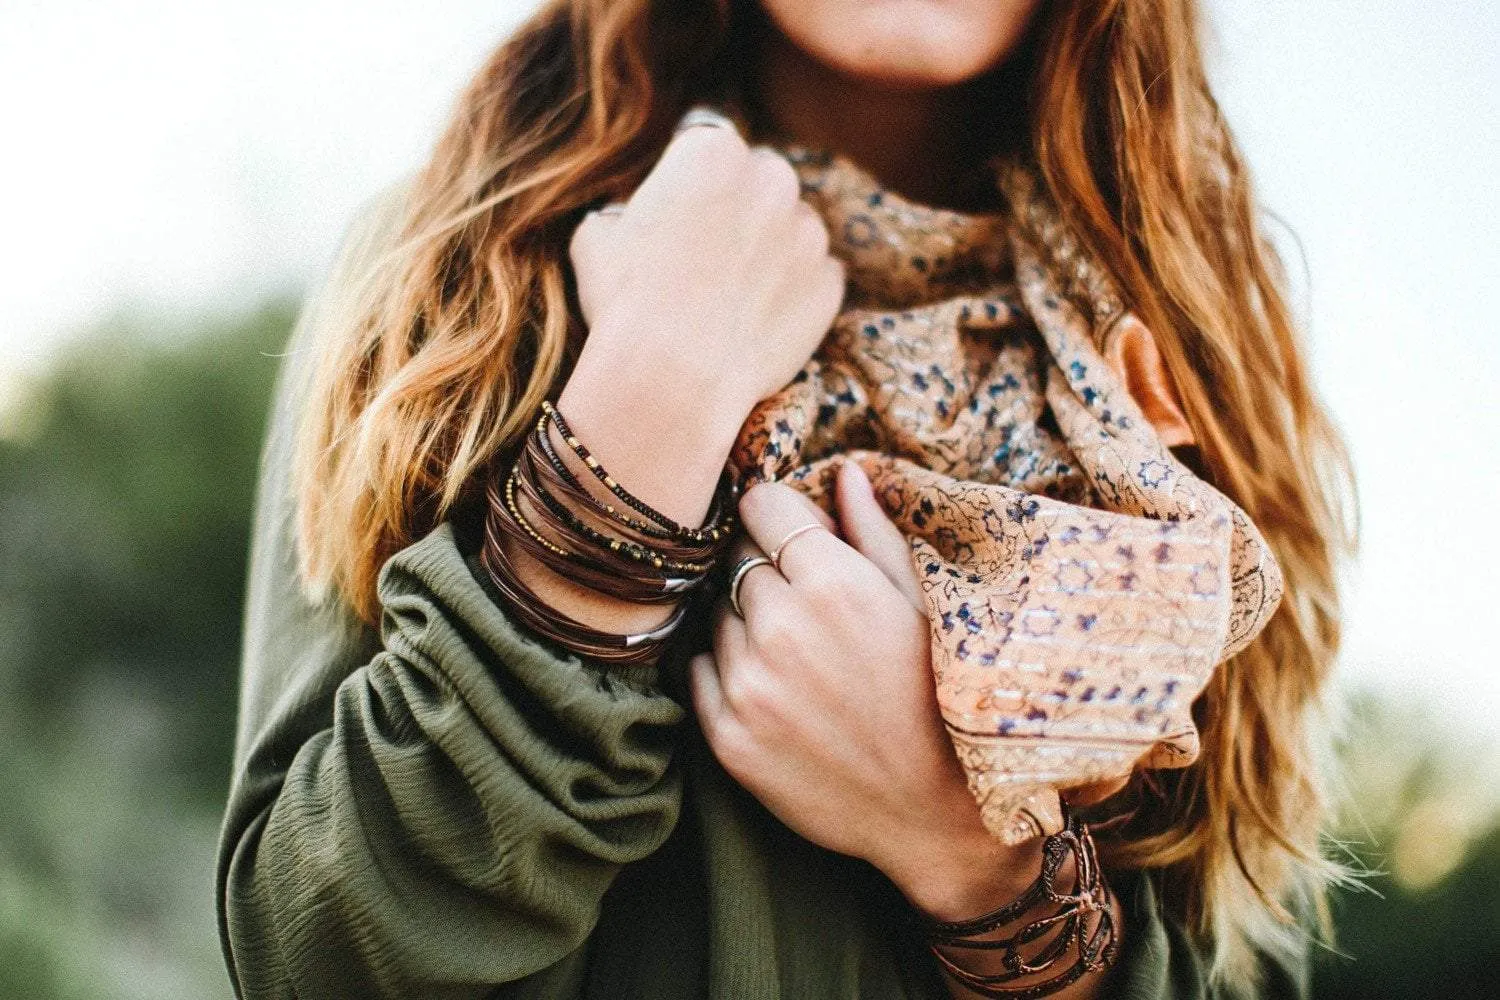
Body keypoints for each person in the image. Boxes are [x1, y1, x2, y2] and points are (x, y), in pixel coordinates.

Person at [215, 1, 1352, 997]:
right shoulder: (465, 271)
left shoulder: (1201, 370)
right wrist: (637, 422)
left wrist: (974, 857)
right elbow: (317, 956)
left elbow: (1244, 962)